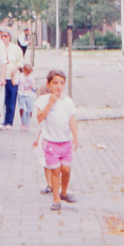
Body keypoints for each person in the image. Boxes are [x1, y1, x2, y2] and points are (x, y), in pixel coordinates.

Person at [35, 69, 79, 211]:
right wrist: (50, 103)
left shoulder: (67, 101)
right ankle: (56, 199)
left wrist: (75, 136)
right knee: (55, 170)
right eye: (55, 83)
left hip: (65, 141)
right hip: (51, 142)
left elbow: (71, 120)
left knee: (66, 169)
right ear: (48, 84)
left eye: (61, 83)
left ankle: (64, 192)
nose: (58, 86)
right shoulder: (42, 100)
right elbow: (40, 118)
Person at [0, 28, 24, 127]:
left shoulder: (16, 48)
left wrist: (16, 68)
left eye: (5, 36)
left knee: (11, 100)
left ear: (9, 37)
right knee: (1, 100)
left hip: (12, 77)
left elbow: (21, 62)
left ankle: (9, 122)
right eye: (1, 36)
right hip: (1, 77)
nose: (3, 38)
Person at [15, 63, 37, 131]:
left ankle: (28, 124)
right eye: (26, 72)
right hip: (21, 94)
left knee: (29, 110)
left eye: (29, 72)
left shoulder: (31, 77)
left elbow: (33, 85)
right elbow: (16, 82)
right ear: (23, 70)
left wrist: (31, 86)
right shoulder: (20, 76)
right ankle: (23, 123)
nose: (27, 74)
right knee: (22, 109)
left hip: (29, 95)